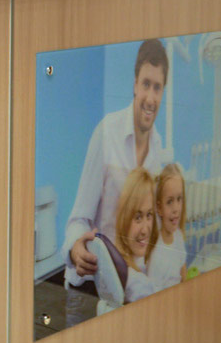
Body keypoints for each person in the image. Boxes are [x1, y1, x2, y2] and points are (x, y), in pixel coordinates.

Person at [63, 39, 171, 287]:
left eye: (157, 88)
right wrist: (76, 249)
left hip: (126, 285)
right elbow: (79, 219)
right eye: (146, 84)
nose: (150, 98)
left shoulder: (157, 147)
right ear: (135, 84)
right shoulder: (107, 133)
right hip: (89, 283)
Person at [96, 168, 159, 314]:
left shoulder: (145, 261)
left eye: (149, 215)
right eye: (138, 217)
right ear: (124, 218)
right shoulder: (132, 280)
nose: (145, 230)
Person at [148, 162, 188, 291]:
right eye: (169, 202)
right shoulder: (156, 255)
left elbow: (183, 272)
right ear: (159, 208)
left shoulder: (178, 236)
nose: (176, 208)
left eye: (179, 199)